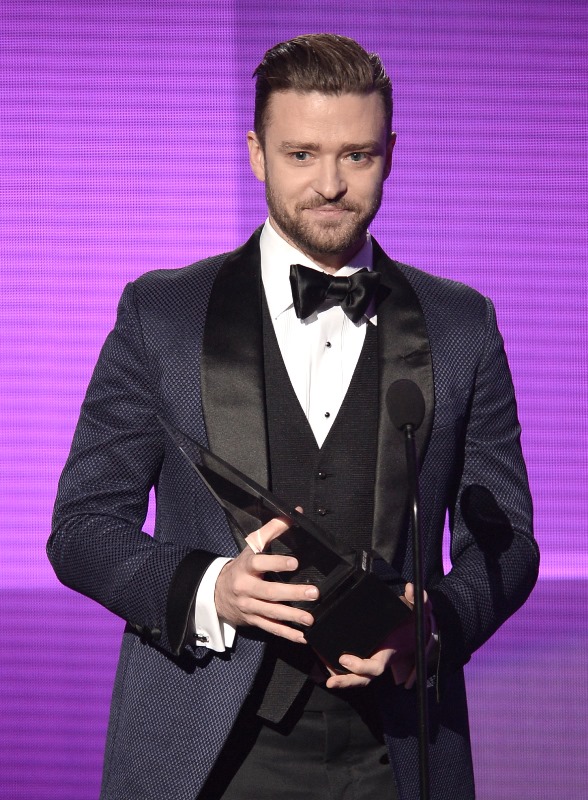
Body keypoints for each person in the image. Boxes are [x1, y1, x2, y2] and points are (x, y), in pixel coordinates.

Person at [48, 34, 539, 800]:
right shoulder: (162, 314)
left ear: (391, 153)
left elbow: (507, 543)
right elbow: (81, 528)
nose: (331, 184)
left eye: (357, 155)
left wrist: (436, 621)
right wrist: (211, 588)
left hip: (398, 751)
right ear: (257, 153)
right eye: (302, 154)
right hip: (207, 753)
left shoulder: (460, 326)